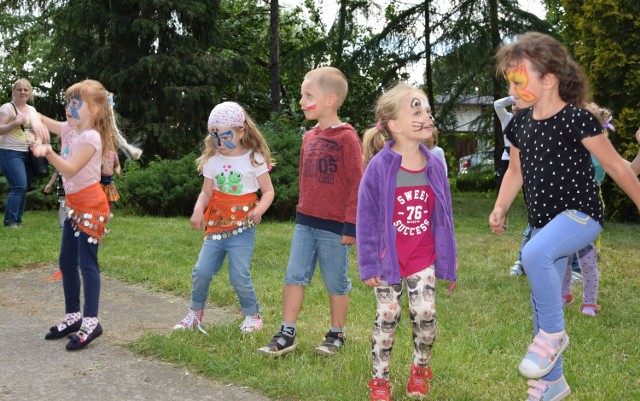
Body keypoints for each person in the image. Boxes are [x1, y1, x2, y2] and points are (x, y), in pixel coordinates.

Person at [489, 32, 640, 401]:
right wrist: (500, 206)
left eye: (517, 79)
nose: (511, 87)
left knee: (534, 256)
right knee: (544, 304)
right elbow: (515, 172)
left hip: (582, 215)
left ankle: (554, 336)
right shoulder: (519, 124)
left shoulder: (578, 120)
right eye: (509, 80)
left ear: (549, 79)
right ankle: (552, 383)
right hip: (544, 223)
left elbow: (617, 167)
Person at [357, 84, 457, 400]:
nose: (426, 116)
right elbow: (367, 220)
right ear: (395, 125)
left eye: (427, 110)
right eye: (416, 111)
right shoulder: (379, 168)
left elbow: (444, 217)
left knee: (425, 315)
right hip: (388, 258)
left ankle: (420, 369)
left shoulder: (435, 165)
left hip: (421, 256)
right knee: (388, 316)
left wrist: (448, 259)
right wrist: (370, 263)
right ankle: (380, 380)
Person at [258, 66, 364, 357]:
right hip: (305, 223)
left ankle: (336, 334)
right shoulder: (308, 138)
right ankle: (286, 332)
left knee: (336, 281)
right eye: (302, 95)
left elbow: (358, 183)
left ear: (330, 100)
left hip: (334, 227)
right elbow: (305, 181)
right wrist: (302, 211)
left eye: (308, 95)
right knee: (294, 276)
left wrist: (351, 225)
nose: (302, 101)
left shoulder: (347, 138)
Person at [32, 79, 142, 351]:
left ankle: (91, 322)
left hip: (91, 208)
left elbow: (69, 170)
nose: (69, 107)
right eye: (68, 102)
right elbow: (42, 119)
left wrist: (47, 151)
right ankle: (73, 317)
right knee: (66, 261)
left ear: (93, 110)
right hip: (74, 207)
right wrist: (31, 117)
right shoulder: (71, 129)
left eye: (76, 103)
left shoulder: (91, 137)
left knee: (86, 263)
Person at [173, 102, 274, 334]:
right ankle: (195, 314)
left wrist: (259, 210)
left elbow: (268, 192)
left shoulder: (254, 158)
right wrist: (199, 210)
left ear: (241, 131)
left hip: (243, 228)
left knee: (239, 273)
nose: (220, 143)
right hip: (216, 226)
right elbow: (207, 192)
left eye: (226, 136)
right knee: (201, 271)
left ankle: (252, 316)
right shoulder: (213, 160)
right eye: (215, 137)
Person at [0, 78, 49, 227]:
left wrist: (38, 142)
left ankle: (17, 221)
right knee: (19, 186)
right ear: (13, 91)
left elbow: (37, 131)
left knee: (24, 186)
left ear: (30, 93)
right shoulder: (7, 108)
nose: (22, 92)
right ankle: (10, 222)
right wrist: (15, 123)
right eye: (19, 89)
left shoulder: (32, 110)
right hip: (10, 152)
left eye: (25, 90)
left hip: (28, 153)